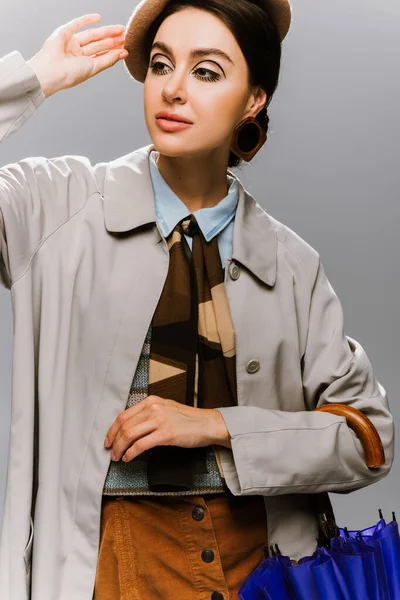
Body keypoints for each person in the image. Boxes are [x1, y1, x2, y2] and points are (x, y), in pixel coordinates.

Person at [0, 1, 394, 599]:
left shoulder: (291, 265)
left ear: (253, 99)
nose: (174, 90)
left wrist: (218, 427)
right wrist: (32, 80)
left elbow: (370, 441)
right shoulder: (56, 208)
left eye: (206, 71)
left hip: (261, 565)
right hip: (113, 563)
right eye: (161, 65)